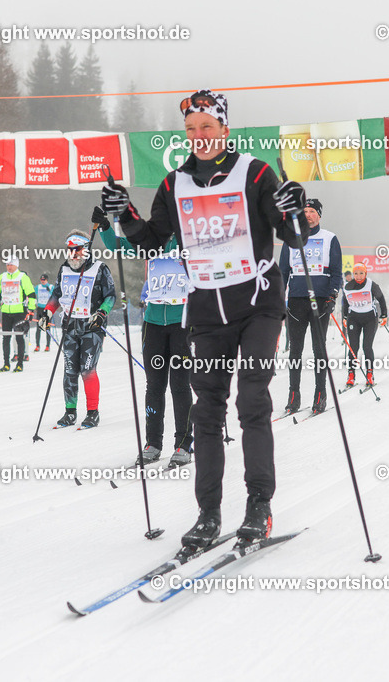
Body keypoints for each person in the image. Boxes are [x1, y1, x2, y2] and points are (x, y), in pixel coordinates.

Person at [100, 89, 309, 547]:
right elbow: (153, 240)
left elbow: (291, 237)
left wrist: (298, 211)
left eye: (207, 128)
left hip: (257, 303)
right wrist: (125, 215)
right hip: (206, 309)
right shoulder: (175, 184)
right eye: (192, 130)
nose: (199, 136)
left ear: (225, 130)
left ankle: (259, 506)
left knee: (252, 400)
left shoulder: (255, 174)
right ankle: (208, 514)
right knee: (206, 410)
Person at [97, 206, 194, 465]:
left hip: (182, 322)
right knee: (154, 386)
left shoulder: (189, 241)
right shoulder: (149, 244)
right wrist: (104, 226)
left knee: (180, 385)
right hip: (153, 323)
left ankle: (184, 444)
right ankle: (153, 443)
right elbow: (118, 246)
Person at [37, 230, 116, 428]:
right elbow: (57, 294)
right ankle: (70, 412)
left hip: (92, 326)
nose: (73, 254)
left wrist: (102, 312)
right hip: (70, 326)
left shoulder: (100, 268)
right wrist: (47, 312)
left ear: (86, 250)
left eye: (77, 249)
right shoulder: (64, 269)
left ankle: (92, 412)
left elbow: (111, 295)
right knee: (70, 370)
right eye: (70, 250)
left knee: (87, 369)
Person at [279, 198, 341, 415]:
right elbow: (283, 272)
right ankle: (293, 396)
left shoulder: (330, 238)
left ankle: (320, 394)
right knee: (295, 350)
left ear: (319, 215)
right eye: (304, 211)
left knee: (319, 349)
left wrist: (333, 296)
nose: (308, 214)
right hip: (296, 300)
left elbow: (336, 271)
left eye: (312, 211)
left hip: (320, 301)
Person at [342, 262, 387, 387]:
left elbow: (381, 299)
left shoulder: (371, 285)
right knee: (353, 347)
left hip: (370, 319)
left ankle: (369, 374)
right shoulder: (348, 286)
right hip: (353, 319)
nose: (359, 276)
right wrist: (345, 316)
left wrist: (384, 315)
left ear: (365, 273)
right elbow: (345, 303)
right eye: (356, 273)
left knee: (367, 347)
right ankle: (351, 375)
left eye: (361, 273)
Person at [0, 256, 35, 372]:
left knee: (19, 338)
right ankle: (6, 364)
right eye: (7, 264)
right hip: (6, 312)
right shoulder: (2, 277)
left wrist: (31, 310)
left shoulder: (22, 277)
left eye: (11, 264)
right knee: (6, 338)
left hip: (19, 312)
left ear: (16, 265)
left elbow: (31, 294)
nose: (9, 267)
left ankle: (20, 364)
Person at [33, 273, 54, 352]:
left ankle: (47, 346)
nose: (42, 281)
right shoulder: (38, 287)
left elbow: (54, 296)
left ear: (47, 280)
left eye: (44, 280)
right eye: (41, 280)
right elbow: (33, 295)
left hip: (48, 309)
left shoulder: (51, 287)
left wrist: (50, 291)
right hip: (40, 308)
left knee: (47, 327)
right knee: (39, 327)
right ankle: (37, 346)